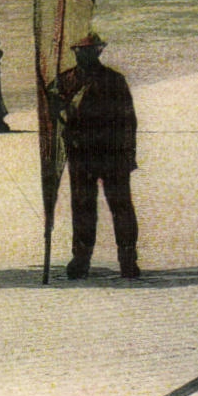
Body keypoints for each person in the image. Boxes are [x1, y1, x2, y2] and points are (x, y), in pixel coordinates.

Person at [47, 32, 140, 279]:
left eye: (89, 50)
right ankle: (81, 258)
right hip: (81, 153)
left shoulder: (114, 80)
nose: (84, 54)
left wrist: (129, 153)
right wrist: (54, 100)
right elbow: (52, 112)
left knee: (121, 206)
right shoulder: (64, 81)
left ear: (98, 51)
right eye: (80, 50)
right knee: (82, 207)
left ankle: (128, 259)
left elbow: (128, 120)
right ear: (75, 52)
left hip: (112, 153)